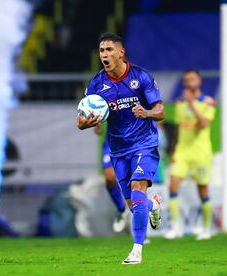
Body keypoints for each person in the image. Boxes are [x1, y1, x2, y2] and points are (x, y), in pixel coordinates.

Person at [77, 32, 164, 265]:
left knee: (138, 187)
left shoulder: (141, 77)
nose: (104, 55)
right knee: (134, 204)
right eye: (101, 51)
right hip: (118, 148)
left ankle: (136, 250)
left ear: (120, 52)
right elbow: (80, 121)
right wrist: (90, 121)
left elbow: (160, 110)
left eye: (109, 50)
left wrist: (146, 112)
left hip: (143, 143)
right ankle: (152, 205)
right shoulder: (96, 83)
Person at [165, 70, 216, 240]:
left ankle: (207, 228)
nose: (189, 82)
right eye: (186, 80)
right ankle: (176, 227)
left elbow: (204, 123)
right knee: (172, 185)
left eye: (192, 79)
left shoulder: (208, 102)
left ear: (199, 81)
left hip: (201, 153)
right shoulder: (180, 102)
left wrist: (192, 104)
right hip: (182, 152)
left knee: (202, 190)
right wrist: (173, 150)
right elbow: (180, 128)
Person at [94, 123, 128, 232]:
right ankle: (121, 209)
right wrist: (97, 124)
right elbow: (100, 110)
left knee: (136, 184)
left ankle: (142, 234)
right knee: (109, 177)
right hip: (112, 142)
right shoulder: (108, 104)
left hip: (134, 141)